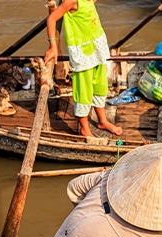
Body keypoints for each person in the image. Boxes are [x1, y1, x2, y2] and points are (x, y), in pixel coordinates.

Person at [44, 0, 123, 138]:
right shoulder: (71, 1)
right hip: (82, 54)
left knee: (100, 87)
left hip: (97, 49)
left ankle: (103, 121)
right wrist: (53, 46)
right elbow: (51, 19)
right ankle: (84, 129)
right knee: (84, 93)